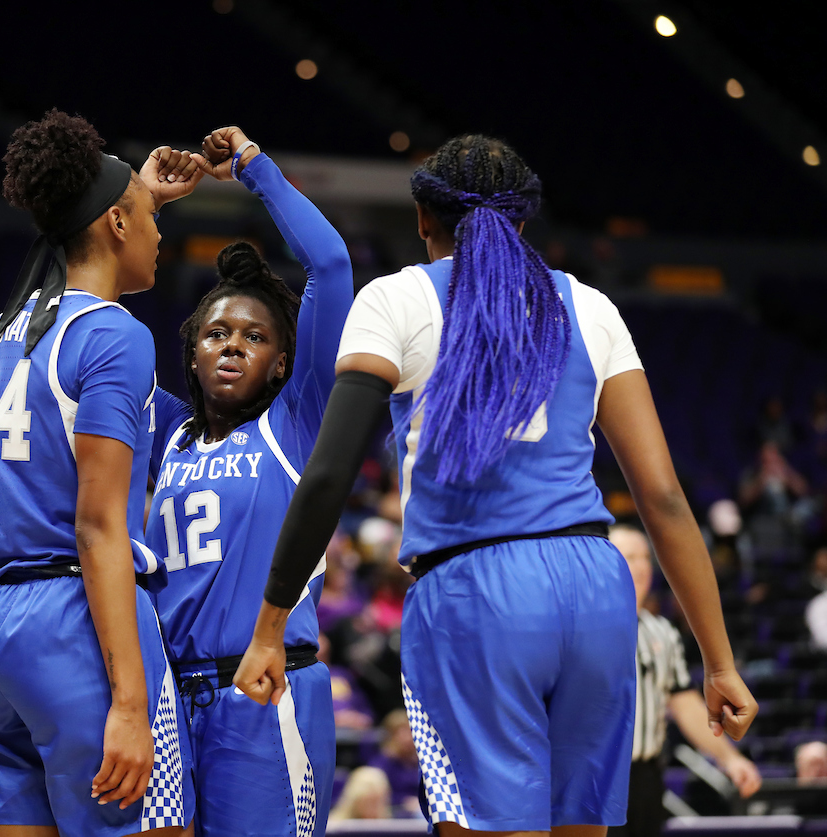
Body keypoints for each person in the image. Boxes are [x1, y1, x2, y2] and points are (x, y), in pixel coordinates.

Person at [235, 134, 757, 837]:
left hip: (474, 590)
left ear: (424, 217)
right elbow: (662, 496)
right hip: (596, 589)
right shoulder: (592, 306)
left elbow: (329, 474)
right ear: (523, 219)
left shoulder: (397, 298)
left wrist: (270, 626)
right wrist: (719, 661)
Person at [0, 110, 199, 837]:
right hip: (79, 627)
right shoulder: (114, 334)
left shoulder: (3, 333)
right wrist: (131, 703)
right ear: (116, 223)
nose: (159, 233)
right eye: (148, 218)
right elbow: (99, 526)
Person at [143, 125, 351, 837]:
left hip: (265, 688)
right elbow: (90, 303)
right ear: (192, 354)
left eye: (254, 336)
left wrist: (254, 168)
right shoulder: (165, 433)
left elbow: (330, 265)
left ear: (282, 362)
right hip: (170, 702)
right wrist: (143, 200)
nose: (232, 343)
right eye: (216, 333)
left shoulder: (296, 422)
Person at [608, 526, 760, 837]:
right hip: (595, 773)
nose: (641, 566)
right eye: (629, 557)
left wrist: (729, 759)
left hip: (646, 776)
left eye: (645, 557)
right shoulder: (576, 629)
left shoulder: (662, 632)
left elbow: (684, 704)